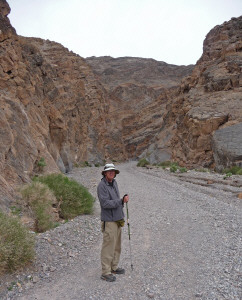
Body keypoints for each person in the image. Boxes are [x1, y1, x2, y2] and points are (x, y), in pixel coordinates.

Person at [97, 163, 129, 282]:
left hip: (117, 219)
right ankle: (106, 272)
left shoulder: (114, 183)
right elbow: (105, 203)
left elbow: (116, 200)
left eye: (113, 171)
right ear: (105, 173)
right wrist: (121, 201)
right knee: (108, 247)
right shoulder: (102, 186)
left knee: (117, 246)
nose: (111, 172)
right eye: (109, 171)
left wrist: (121, 201)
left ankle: (114, 267)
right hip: (109, 221)